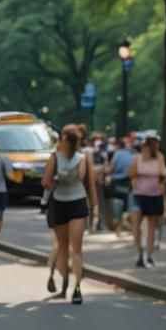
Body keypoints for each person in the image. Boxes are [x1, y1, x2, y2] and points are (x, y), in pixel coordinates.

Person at [42, 124, 98, 303]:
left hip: (75, 202)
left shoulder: (80, 158)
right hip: (62, 202)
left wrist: (94, 205)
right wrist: (55, 182)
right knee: (66, 247)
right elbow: (46, 180)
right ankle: (68, 285)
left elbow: (85, 179)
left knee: (74, 248)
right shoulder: (56, 158)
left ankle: (75, 287)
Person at [130, 130, 166, 268]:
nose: (155, 145)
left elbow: (164, 172)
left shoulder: (159, 157)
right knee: (136, 225)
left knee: (151, 227)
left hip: (154, 195)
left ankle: (149, 254)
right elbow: (132, 174)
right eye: (152, 143)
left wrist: (162, 183)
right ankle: (138, 253)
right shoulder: (138, 158)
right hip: (139, 195)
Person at [105, 136, 134, 235]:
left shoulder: (117, 154)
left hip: (117, 182)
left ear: (117, 145)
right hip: (128, 182)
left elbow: (111, 169)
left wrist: (105, 172)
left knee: (117, 204)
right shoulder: (131, 154)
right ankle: (128, 223)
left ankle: (118, 228)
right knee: (126, 204)